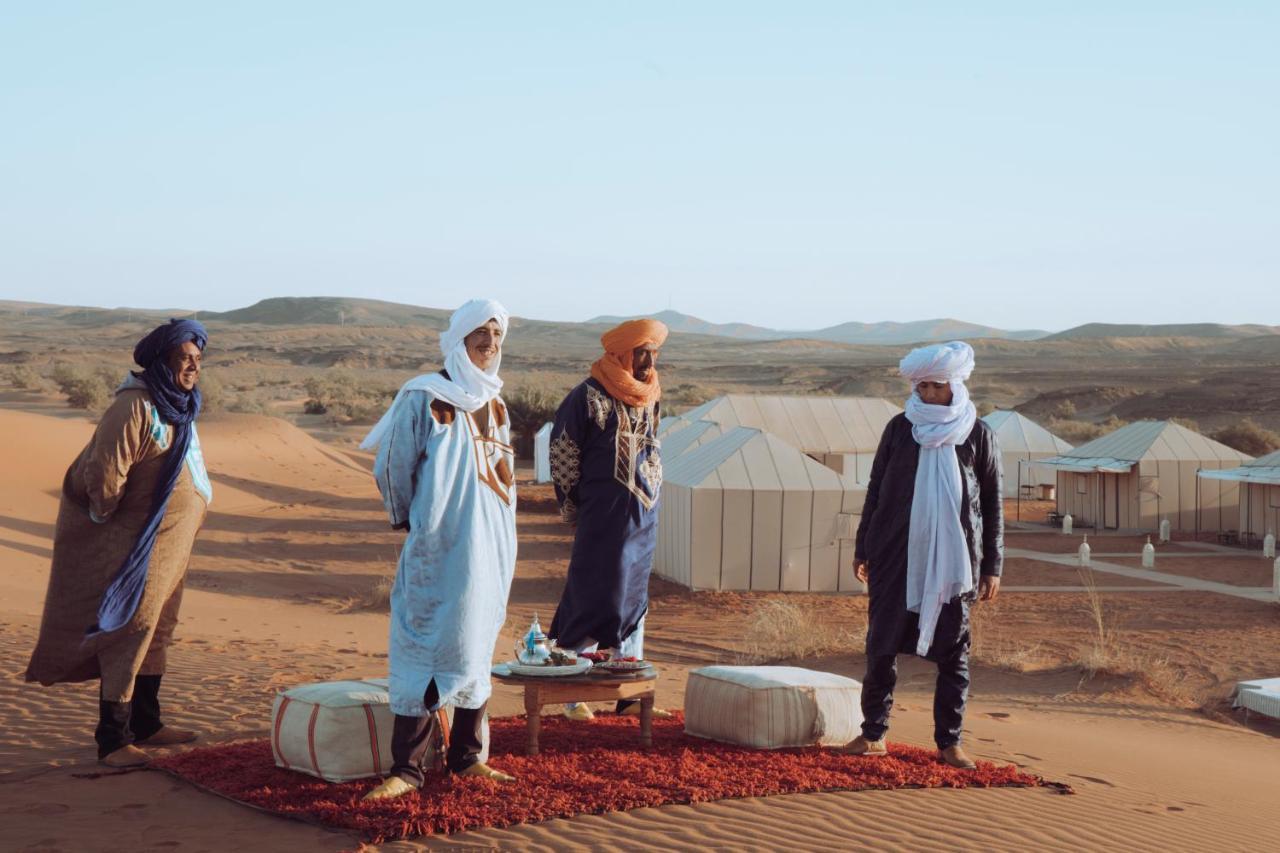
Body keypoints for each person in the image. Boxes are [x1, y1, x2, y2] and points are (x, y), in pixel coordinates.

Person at [26, 319, 212, 768]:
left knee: (159, 626)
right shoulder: (135, 406)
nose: (192, 367)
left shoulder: (179, 406)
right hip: (137, 544)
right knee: (132, 627)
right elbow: (104, 476)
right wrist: (116, 528)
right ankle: (113, 739)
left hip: (172, 543)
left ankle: (148, 723)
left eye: (197, 360)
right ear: (161, 360)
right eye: (184, 358)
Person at [361, 299, 518, 801]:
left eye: (497, 332)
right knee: (427, 645)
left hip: (491, 547)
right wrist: (410, 520)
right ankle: (406, 769)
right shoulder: (426, 395)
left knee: (475, 642)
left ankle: (467, 757)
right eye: (480, 331)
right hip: (441, 544)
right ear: (458, 338)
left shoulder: (495, 402)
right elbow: (392, 465)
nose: (489, 341)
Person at [842, 341, 1002, 769]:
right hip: (895, 555)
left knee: (955, 653)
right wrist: (863, 547)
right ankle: (872, 734)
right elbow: (876, 490)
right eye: (921, 386)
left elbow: (991, 505)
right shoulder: (899, 429)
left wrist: (992, 565)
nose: (926, 394)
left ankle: (949, 743)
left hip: (953, 562)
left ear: (953, 384)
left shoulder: (977, 434)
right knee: (881, 647)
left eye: (934, 386)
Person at [548, 319, 671, 721]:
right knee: (594, 592)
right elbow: (564, 452)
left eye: (652, 353)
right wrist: (570, 507)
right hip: (602, 515)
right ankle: (568, 691)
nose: (648, 361)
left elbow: (650, 448)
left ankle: (629, 690)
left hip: (642, 517)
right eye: (641, 352)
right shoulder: (588, 396)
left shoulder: (651, 396)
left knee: (634, 597)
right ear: (621, 354)